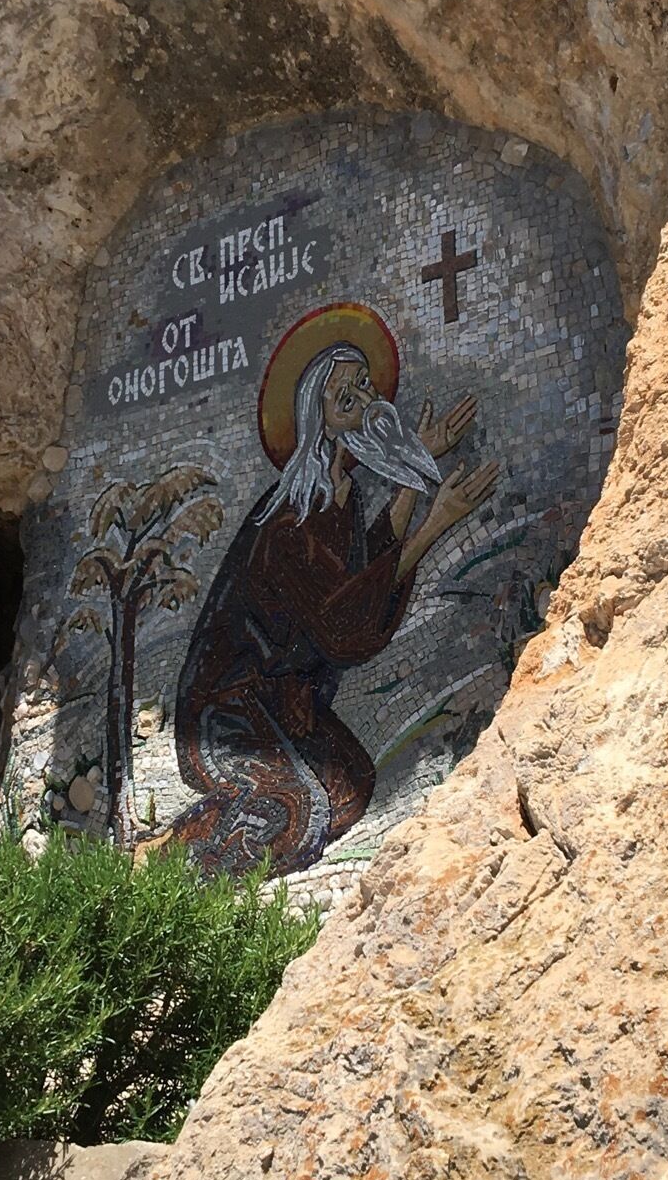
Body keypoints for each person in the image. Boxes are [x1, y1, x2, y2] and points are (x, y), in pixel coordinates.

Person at [166, 302, 497, 876]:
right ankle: (174, 858)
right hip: (233, 708)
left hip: (289, 700)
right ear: (315, 417)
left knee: (353, 785)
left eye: (366, 388)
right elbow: (343, 624)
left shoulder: (341, 490)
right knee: (298, 813)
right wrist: (437, 521)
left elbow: (364, 576)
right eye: (344, 396)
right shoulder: (289, 517)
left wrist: (414, 469)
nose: (365, 403)